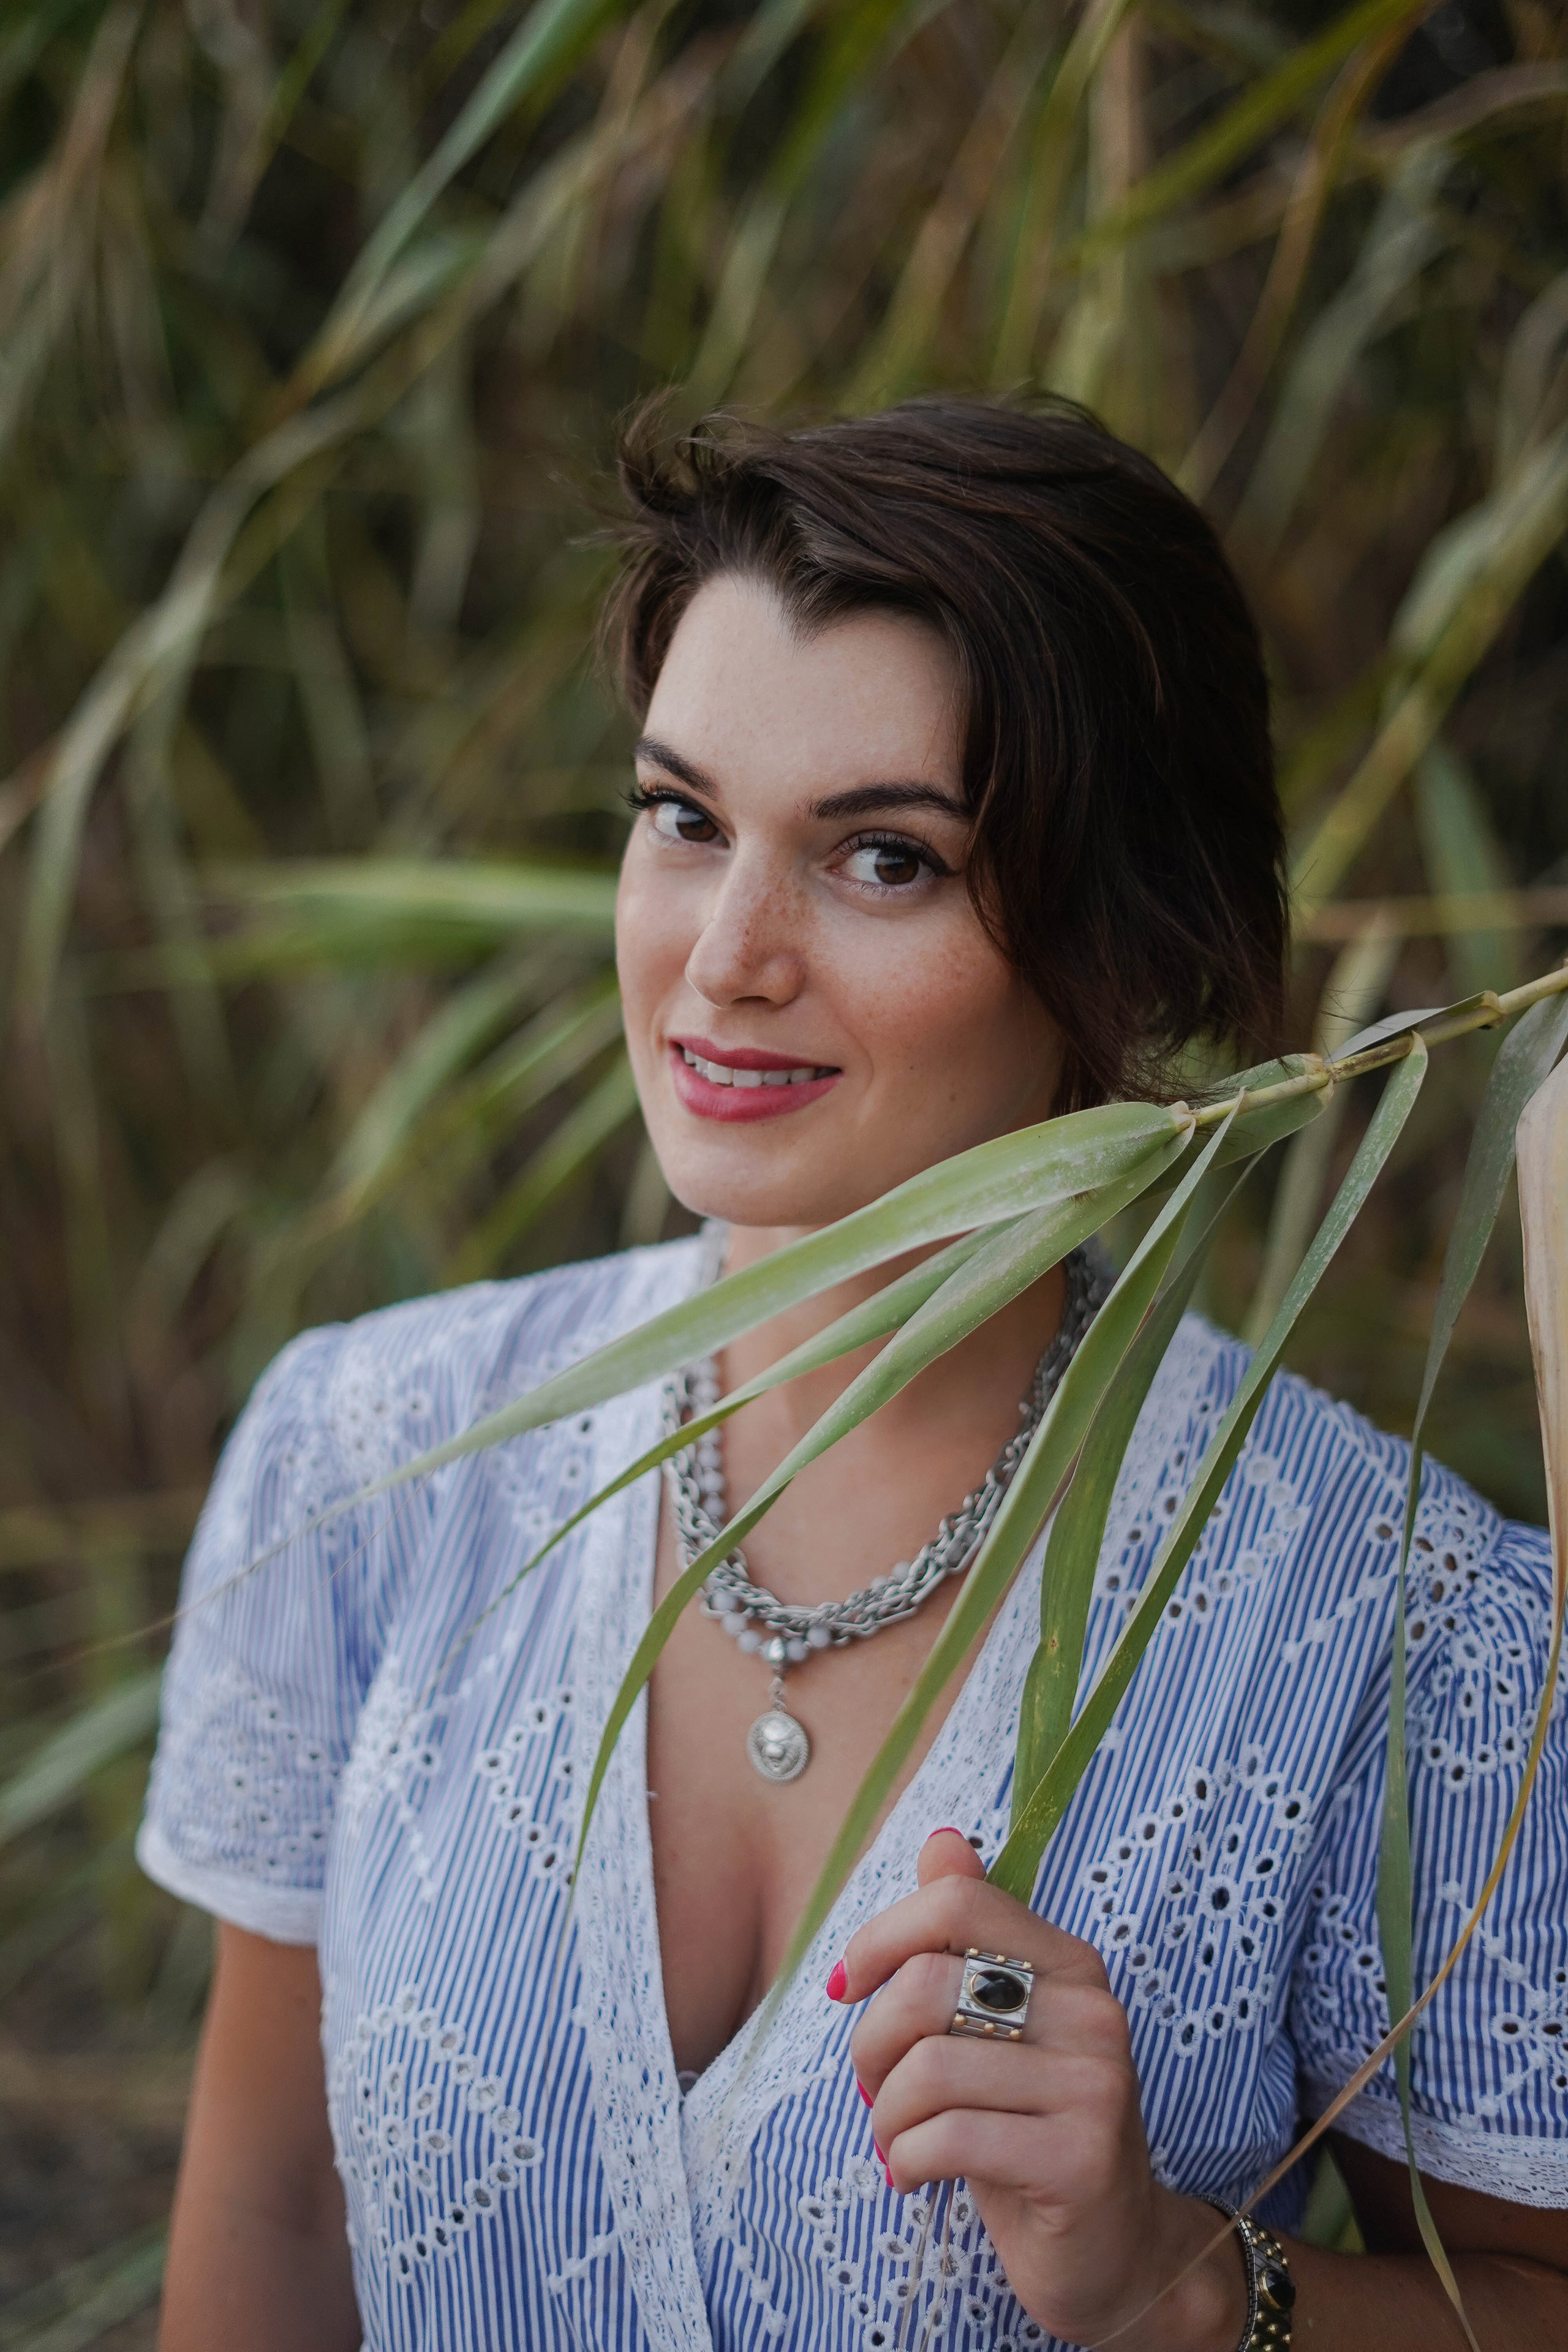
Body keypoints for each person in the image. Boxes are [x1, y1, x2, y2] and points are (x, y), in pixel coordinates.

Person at [140, 398, 1568, 2352]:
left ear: (1122, 941)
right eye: (683, 818)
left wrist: (1172, 2279)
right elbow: (278, 2225)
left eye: (881, 858)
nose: (725, 955)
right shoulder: (374, 1460)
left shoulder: (1398, 1634)